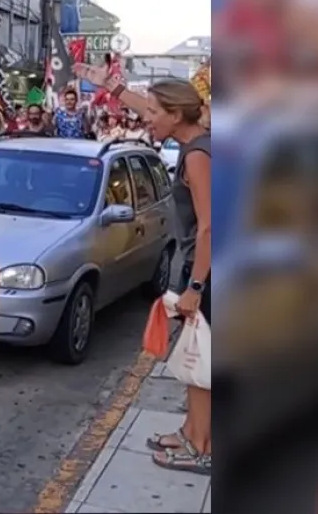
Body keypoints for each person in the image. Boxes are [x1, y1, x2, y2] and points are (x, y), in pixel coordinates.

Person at [75, 63, 212, 475]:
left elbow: (209, 226)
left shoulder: (198, 157)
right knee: (193, 359)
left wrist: (196, 286)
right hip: (200, 266)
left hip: (206, 270)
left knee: (201, 361)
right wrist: (113, 88)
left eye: (153, 113)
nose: (145, 118)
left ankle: (201, 446)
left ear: (175, 114)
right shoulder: (196, 135)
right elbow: (154, 105)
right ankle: (192, 432)